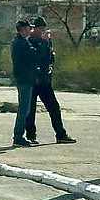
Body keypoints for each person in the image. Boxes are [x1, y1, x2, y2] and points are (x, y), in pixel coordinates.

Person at [24, 16, 75, 144]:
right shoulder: (29, 41)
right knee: (30, 110)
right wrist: (44, 43)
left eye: (43, 29)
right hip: (33, 80)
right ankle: (31, 135)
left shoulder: (46, 41)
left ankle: (61, 134)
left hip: (44, 80)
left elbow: (49, 58)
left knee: (54, 107)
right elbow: (36, 57)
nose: (42, 31)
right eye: (39, 29)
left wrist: (49, 48)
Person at [10, 19, 38, 147]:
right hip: (24, 79)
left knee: (25, 109)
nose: (30, 31)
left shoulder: (18, 42)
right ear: (23, 29)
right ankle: (18, 136)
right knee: (24, 109)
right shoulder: (21, 43)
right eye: (28, 29)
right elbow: (33, 55)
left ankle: (19, 135)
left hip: (23, 78)